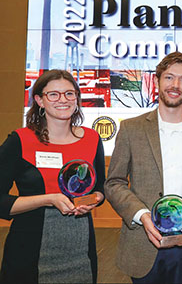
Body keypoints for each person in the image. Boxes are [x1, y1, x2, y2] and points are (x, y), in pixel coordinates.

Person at [104, 51, 182, 284]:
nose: (175, 85)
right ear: (157, 80)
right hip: (143, 240)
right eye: (169, 77)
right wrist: (142, 215)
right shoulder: (131, 129)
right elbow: (114, 183)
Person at [0, 69, 105, 283]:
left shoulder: (92, 139)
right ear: (39, 100)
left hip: (80, 249)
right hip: (29, 249)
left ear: (77, 98)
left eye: (69, 93)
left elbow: (100, 190)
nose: (62, 100)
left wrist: (92, 200)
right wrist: (49, 199)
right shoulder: (20, 141)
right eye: (53, 94)